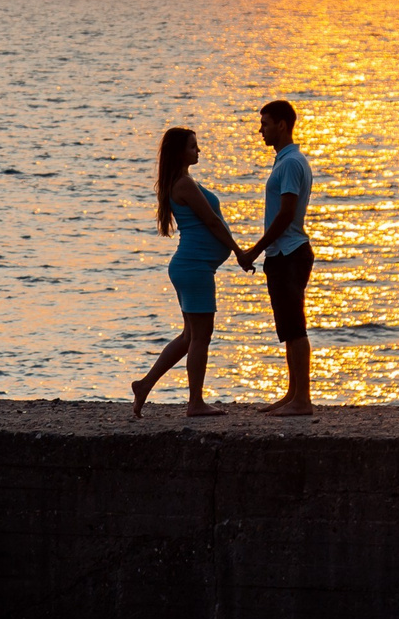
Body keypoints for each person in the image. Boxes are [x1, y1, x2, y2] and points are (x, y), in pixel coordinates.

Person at [131, 126, 251, 418]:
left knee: (189, 336)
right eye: (193, 146)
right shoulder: (184, 184)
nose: (198, 151)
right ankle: (195, 402)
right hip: (194, 268)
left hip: (190, 267)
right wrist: (239, 251)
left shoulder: (182, 181)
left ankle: (144, 385)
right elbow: (211, 221)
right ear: (179, 152)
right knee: (200, 337)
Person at [243, 99, 317, 415]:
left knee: (294, 326)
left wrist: (255, 250)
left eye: (265, 124)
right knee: (288, 326)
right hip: (286, 251)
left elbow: (286, 213)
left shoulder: (289, 163)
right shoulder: (288, 161)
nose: (261, 130)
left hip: (289, 252)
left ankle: (303, 399)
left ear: (282, 125)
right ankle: (293, 393)